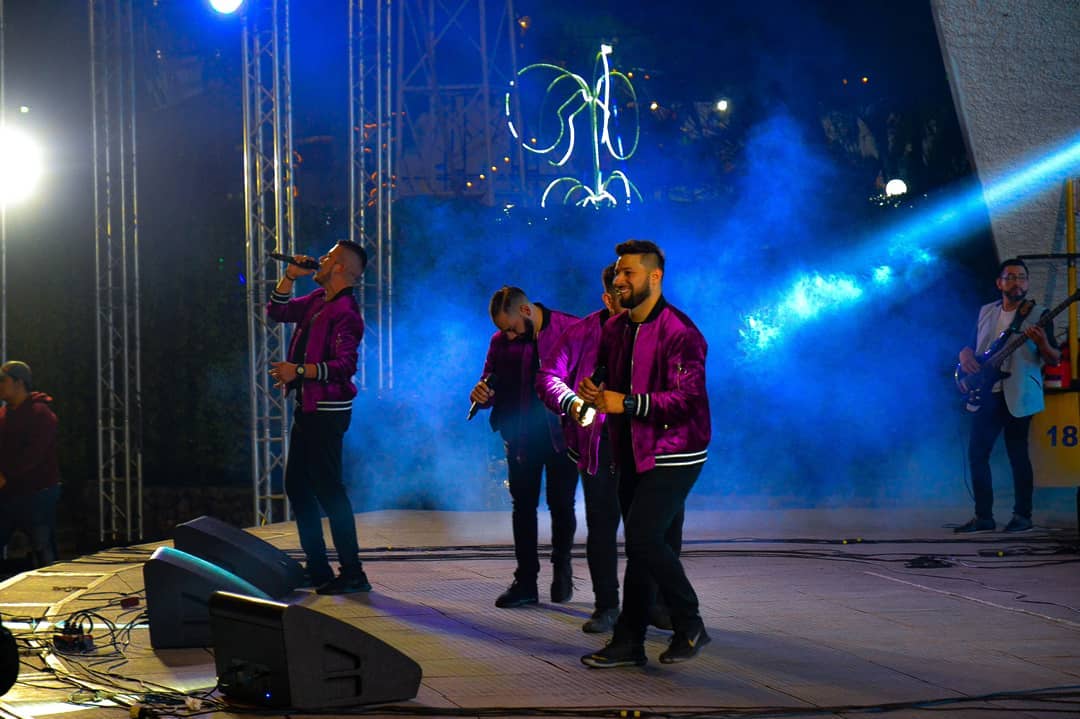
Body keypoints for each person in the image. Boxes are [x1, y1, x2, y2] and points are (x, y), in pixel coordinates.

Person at [577, 239, 711, 668]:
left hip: (676, 451)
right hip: (631, 449)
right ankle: (629, 641)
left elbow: (687, 400)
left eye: (628, 273)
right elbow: (607, 374)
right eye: (617, 272)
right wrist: (595, 388)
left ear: (655, 277)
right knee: (640, 545)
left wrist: (627, 403)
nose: (618, 280)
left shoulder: (681, 332)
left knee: (643, 538)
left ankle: (689, 623)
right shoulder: (615, 328)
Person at [267, 240, 371, 595]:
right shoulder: (317, 300)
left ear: (341, 267)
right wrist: (289, 276)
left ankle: (353, 573)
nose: (320, 260)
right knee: (297, 486)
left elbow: (345, 366)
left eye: (328, 256)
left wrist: (298, 370)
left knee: (329, 490)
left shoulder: (346, 312)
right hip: (309, 407)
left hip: (328, 412)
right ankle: (318, 568)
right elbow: (277, 311)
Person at [470, 287, 579, 608]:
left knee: (562, 505)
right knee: (523, 507)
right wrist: (482, 394)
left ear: (526, 311)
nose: (508, 335)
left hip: (562, 435)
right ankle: (526, 581)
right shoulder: (499, 342)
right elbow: (489, 380)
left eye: (512, 328)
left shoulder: (570, 329)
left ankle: (562, 570)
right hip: (520, 437)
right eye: (503, 330)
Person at [536, 264, 624, 633]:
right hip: (600, 445)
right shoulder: (582, 332)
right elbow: (548, 378)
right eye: (622, 292)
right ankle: (607, 606)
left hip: (648, 446)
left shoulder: (661, 331)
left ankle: (657, 605)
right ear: (608, 298)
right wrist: (572, 403)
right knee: (602, 527)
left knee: (653, 531)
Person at [955, 258, 1059, 534]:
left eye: (1022, 277)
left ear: (1027, 283)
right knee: (977, 455)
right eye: (1010, 277)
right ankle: (984, 517)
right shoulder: (986, 312)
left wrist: (1042, 343)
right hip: (987, 393)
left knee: (1018, 455)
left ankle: (1023, 516)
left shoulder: (1040, 314)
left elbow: (1054, 358)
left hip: (1019, 393)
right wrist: (964, 354)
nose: (1017, 282)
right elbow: (971, 346)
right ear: (999, 283)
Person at [0, 361, 62, 568]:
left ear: (19, 382)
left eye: (2, 380)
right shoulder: (3, 415)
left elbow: (33, 454)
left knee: (43, 550)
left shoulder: (40, 413)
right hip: (8, 493)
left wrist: (5, 475)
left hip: (37, 493)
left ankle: (53, 584)